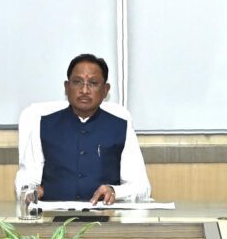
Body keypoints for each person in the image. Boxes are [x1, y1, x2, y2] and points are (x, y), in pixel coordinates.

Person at [15, 53, 150, 205]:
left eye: (93, 83)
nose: (84, 90)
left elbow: (141, 187)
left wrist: (114, 191)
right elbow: (26, 179)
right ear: (67, 87)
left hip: (105, 214)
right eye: (77, 82)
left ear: (105, 90)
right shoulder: (42, 125)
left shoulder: (121, 128)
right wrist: (30, 192)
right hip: (52, 216)